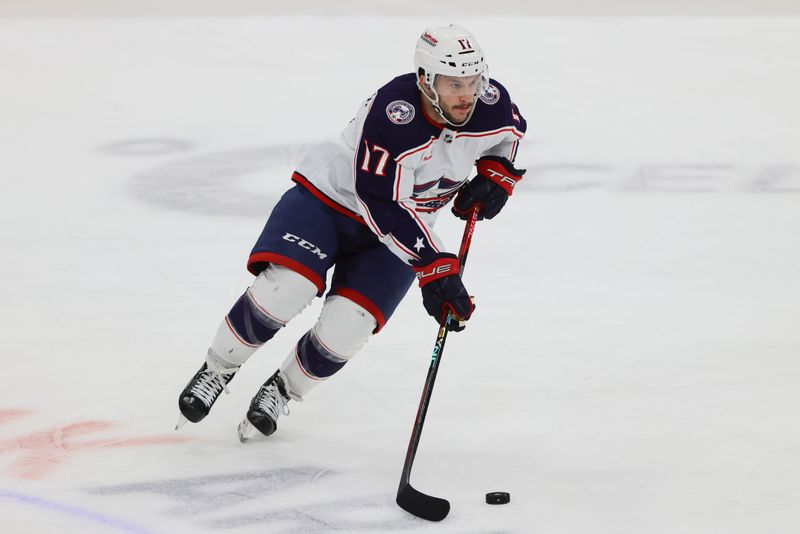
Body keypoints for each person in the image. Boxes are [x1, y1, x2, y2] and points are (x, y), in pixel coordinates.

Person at [176, 24, 527, 441]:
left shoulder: (491, 103)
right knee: (287, 289)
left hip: (402, 229)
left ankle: (283, 389)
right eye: (454, 84)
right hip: (329, 204)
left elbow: (510, 136)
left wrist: (498, 176)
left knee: (349, 327)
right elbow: (382, 203)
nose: (466, 95)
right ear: (425, 80)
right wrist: (435, 267)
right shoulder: (395, 115)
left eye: (472, 81)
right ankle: (219, 368)